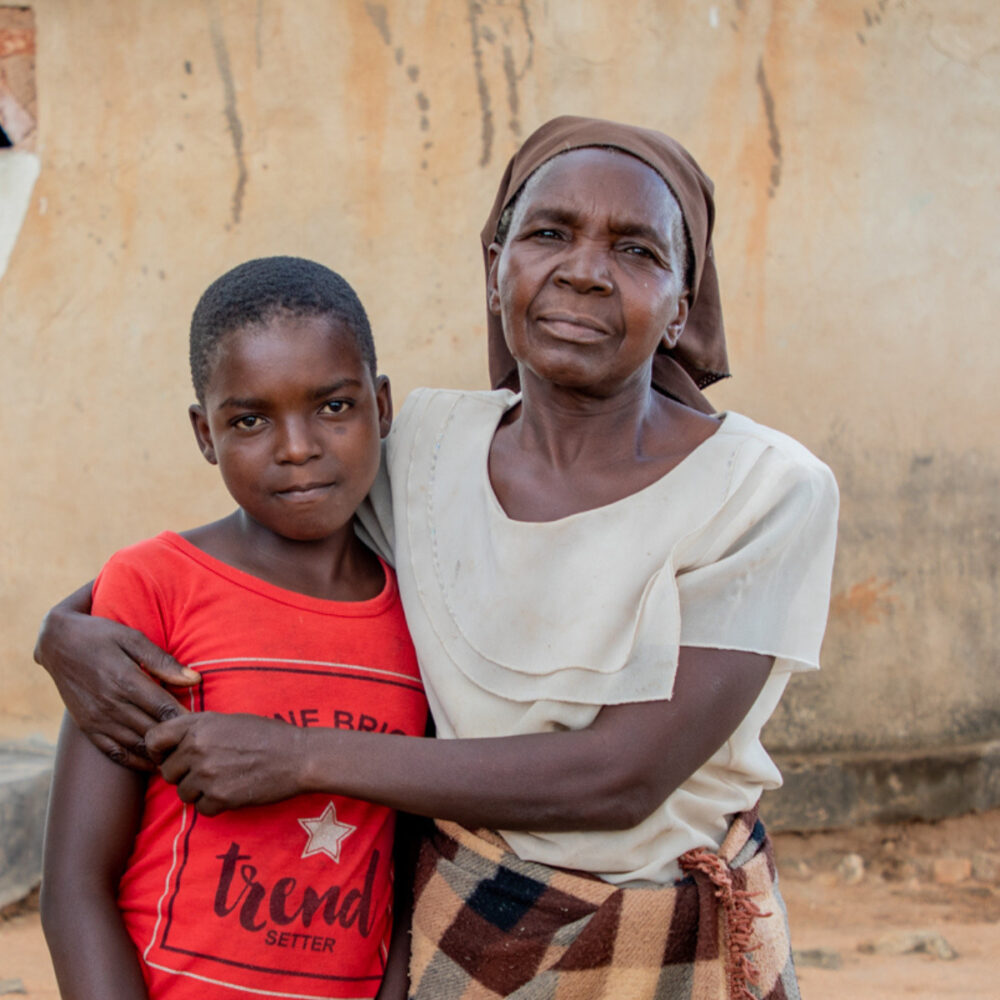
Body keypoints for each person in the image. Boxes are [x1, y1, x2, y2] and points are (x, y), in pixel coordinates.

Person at [36, 117, 839, 999]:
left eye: (637, 248)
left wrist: (299, 758)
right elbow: (244, 553)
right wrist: (68, 629)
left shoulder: (767, 488)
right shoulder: (423, 447)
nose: (582, 269)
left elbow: (620, 778)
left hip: (673, 944)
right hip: (456, 933)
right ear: (495, 267)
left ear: (683, 301)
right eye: (547, 233)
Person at [39, 257, 428, 1000]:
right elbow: (75, 885)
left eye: (334, 407)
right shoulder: (156, 585)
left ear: (381, 405)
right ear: (204, 432)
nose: (296, 447)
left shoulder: (426, 614)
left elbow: (415, 864)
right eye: (249, 419)